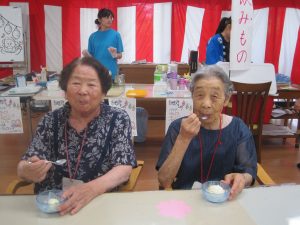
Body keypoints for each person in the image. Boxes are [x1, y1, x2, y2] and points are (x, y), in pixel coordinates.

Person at [17, 57, 136, 215]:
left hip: (99, 205)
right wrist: (27, 170)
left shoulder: (117, 119)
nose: (82, 91)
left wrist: (90, 190)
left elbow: (124, 168)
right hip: (52, 208)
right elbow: (25, 164)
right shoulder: (50, 120)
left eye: (92, 84)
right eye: (76, 83)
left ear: (103, 92)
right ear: (65, 90)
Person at [156, 65, 257, 200]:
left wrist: (242, 178)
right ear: (192, 96)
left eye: (214, 96)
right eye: (199, 95)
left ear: (226, 99)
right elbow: (164, 180)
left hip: (225, 199)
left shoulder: (238, 128)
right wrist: (183, 138)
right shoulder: (178, 128)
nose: (206, 104)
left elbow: (249, 171)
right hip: (185, 199)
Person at [87, 8, 123, 80]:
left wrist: (115, 55)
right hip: (96, 73)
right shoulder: (92, 36)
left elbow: (120, 55)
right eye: (107, 17)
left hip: (111, 73)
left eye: (111, 18)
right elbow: (90, 57)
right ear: (100, 19)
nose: (109, 20)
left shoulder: (116, 35)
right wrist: (86, 54)